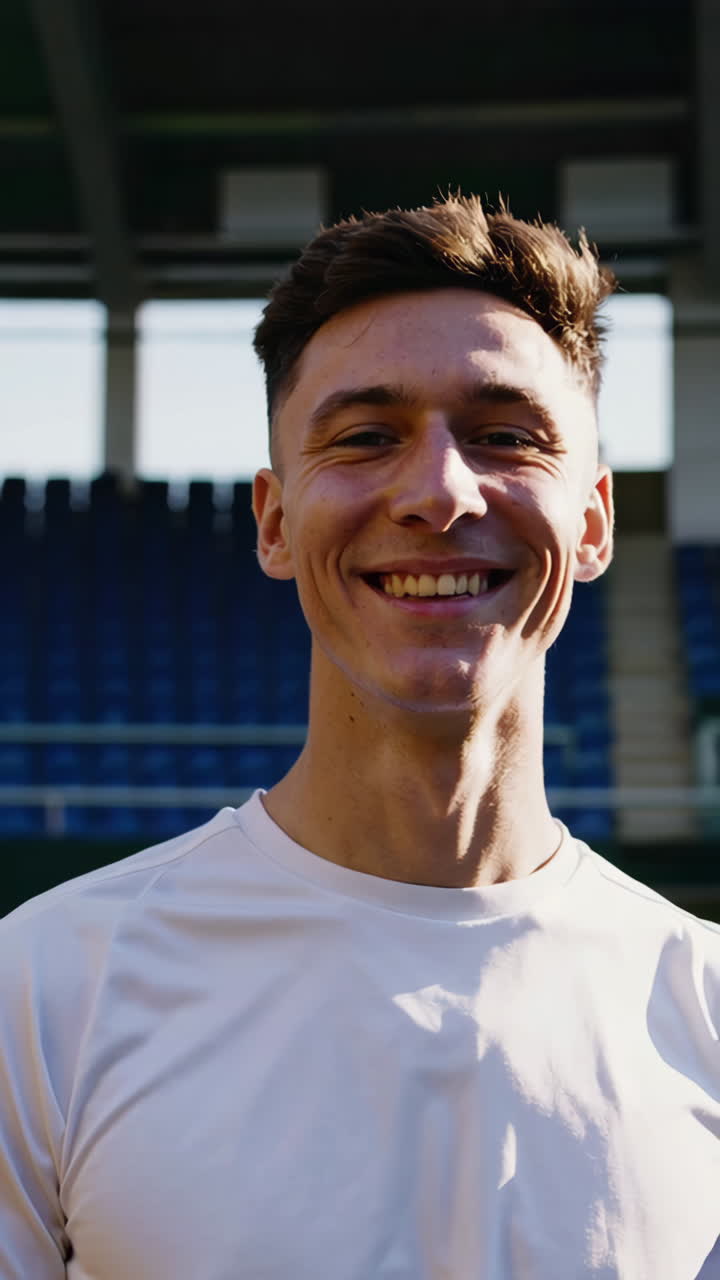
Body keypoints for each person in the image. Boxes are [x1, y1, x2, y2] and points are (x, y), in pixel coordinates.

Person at [1, 195, 719, 1279]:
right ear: (276, 521)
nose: (438, 490)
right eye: (367, 435)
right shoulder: (46, 989)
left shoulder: (702, 1007)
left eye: (505, 436)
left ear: (594, 520)